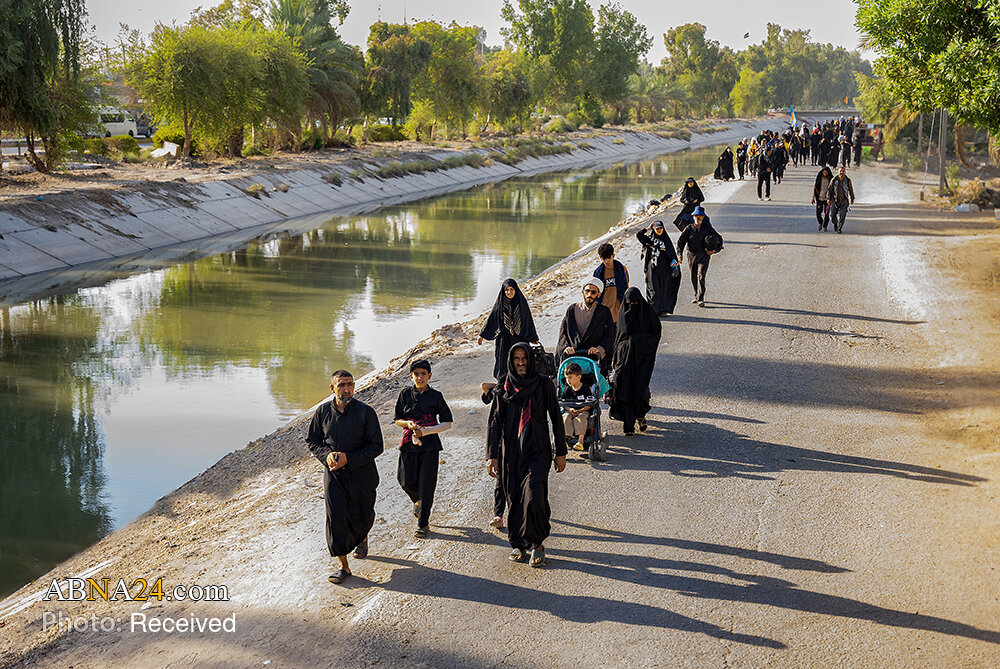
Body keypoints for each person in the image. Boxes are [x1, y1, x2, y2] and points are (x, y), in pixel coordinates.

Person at [487, 344, 566, 567]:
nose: (521, 363)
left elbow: (556, 418)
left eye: (524, 358)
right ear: (511, 362)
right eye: (516, 359)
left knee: (534, 495)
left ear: (531, 360)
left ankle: (537, 543)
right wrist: (491, 455)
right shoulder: (504, 385)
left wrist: (561, 452)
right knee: (515, 498)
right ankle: (519, 544)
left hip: (538, 450)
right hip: (511, 452)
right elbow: (494, 422)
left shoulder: (543, 384)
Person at [306, 369, 384, 585]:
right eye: (341, 385)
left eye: (349, 384)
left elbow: (377, 446)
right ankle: (343, 567)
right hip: (334, 476)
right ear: (332, 388)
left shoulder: (366, 412)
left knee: (363, 516)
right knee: (335, 519)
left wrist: (348, 458)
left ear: (354, 386)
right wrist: (327, 456)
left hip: (362, 474)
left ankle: (363, 536)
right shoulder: (322, 412)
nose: (346, 389)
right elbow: (313, 441)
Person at [393, 359, 453, 538]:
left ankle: (423, 523)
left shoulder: (436, 396)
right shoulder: (405, 394)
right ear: (411, 376)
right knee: (404, 480)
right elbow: (397, 419)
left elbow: (447, 423)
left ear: (429, 376)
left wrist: (425, 431)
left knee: (427, 485)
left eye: (423, 374)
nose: (420, 378)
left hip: (430, 447)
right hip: (408, 443)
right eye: (416, 374)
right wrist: (408, 424)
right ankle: (417, 500)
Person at [608, 288, 661, 437]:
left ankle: (640, 416)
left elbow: (655, 334)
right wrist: (615, 357)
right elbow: (618, 338)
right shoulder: (622, 315)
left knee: (639, 389)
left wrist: (637, 341)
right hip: (624, 360)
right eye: (629, 303)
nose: (632, 306)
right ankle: (628, 425)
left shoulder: (649, 316)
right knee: (623, 389)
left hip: (642, 360)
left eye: (635, 303)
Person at [477, 278, 538, 381]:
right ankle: (503, 384)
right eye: (507, 290)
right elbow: (492, 319)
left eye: (511, 289)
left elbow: (528, 320)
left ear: (515, 290)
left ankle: (520, 383)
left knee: (520, 362)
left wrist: (533, 337)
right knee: (503, 364)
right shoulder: (500, 304)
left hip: (520, 339)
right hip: (504, 340)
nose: (509, 292)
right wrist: (482, 335)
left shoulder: (521, 303)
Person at [556, 278, 615, 376]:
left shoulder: (604, 311)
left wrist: (599, 349)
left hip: (593, 357)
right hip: (573, 356)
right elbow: (563, 333)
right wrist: (566, 347)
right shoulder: (572, 309)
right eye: (587, 291)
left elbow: (610, 334)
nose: (589, 295)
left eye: (593, 292)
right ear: (583, 292)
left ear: (598, 295)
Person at [676, 206, 723, 307]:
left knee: (701, 275)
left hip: (704, 256)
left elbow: (719, 239)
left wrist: (714, 250)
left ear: (703, 217)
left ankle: (701, 298)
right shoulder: (688, 229)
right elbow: (681, 242)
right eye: (696, 216)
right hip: (691, 256)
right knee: (693, 276)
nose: (698, 218)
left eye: (700, 216)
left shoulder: (708, 229)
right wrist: (679, 254)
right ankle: (696, 295)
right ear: (693, 217)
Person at [636, 219, 681, 316]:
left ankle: (663, 310)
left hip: (665, 270)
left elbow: (672, 255)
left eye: (661, 228)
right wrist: (647, 229)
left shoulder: (666, 240)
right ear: (654, 229)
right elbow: (639, 235)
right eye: (657, 229)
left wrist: (675, 266)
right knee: (653, 289)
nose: (659, 230)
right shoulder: (649, 239)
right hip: (652, 269)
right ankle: (654, 310)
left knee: (664, 289)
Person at [560, 362, 593, 451]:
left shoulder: (585, 389)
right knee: (565, 417)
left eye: (570, 378)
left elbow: (589, 405)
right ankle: (565, 439)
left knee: (581, 418)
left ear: (579, 377)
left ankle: (580, 441)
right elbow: (564, 403)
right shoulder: (567, 389)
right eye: (566, 378)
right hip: (570, 410)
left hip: (583, 410)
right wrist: (569, 409)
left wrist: (580, 410)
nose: (568, 380)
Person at [594, 243, 629, 322]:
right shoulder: (598, 273)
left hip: (620, 310)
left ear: (613, 255)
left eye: (609, 258)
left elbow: (626, 286)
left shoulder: (621, 269)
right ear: (600, 258)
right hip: (605, 312)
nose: (606, 261)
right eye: (604, 258)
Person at [830, 166, 855, 233]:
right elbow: (830, 189)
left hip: (844, 201)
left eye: (843, 171)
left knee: (842, 215)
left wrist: (852, 198)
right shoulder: (834, 180)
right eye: (840, 171)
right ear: (838, 172)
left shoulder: (848, 180)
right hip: (835, 200)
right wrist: (828, 198)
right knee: (832, 215)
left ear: (845, 172)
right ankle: (835, 224)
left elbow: (851, 189)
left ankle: (839, 228)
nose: (841, 172)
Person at [811, 166, 834, 231]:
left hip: (827, 200)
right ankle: (821, 223)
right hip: (819, 199)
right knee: (818, 213)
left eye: (826, 172)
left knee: (826, 213)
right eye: (824, 172)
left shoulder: (831, 179)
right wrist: (813, 197)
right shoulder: (819, 178)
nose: (825, 174)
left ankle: (825, 226)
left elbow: (833, 189)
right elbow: (815, 188)